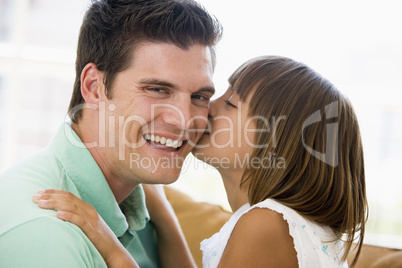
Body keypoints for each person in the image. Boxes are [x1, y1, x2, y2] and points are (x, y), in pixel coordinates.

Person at [33, 55, 368, 267]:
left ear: (275, 141)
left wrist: (108, 244)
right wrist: (164, 216)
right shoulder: (293, 226)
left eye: (231, 103)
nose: (207, 107)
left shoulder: (265, 225)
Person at [0, 0, 222, 267]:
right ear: (94, 87)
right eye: (157, 90)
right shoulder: (46, 233)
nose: (184, 120)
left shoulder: (142, 208)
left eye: (199, 96)